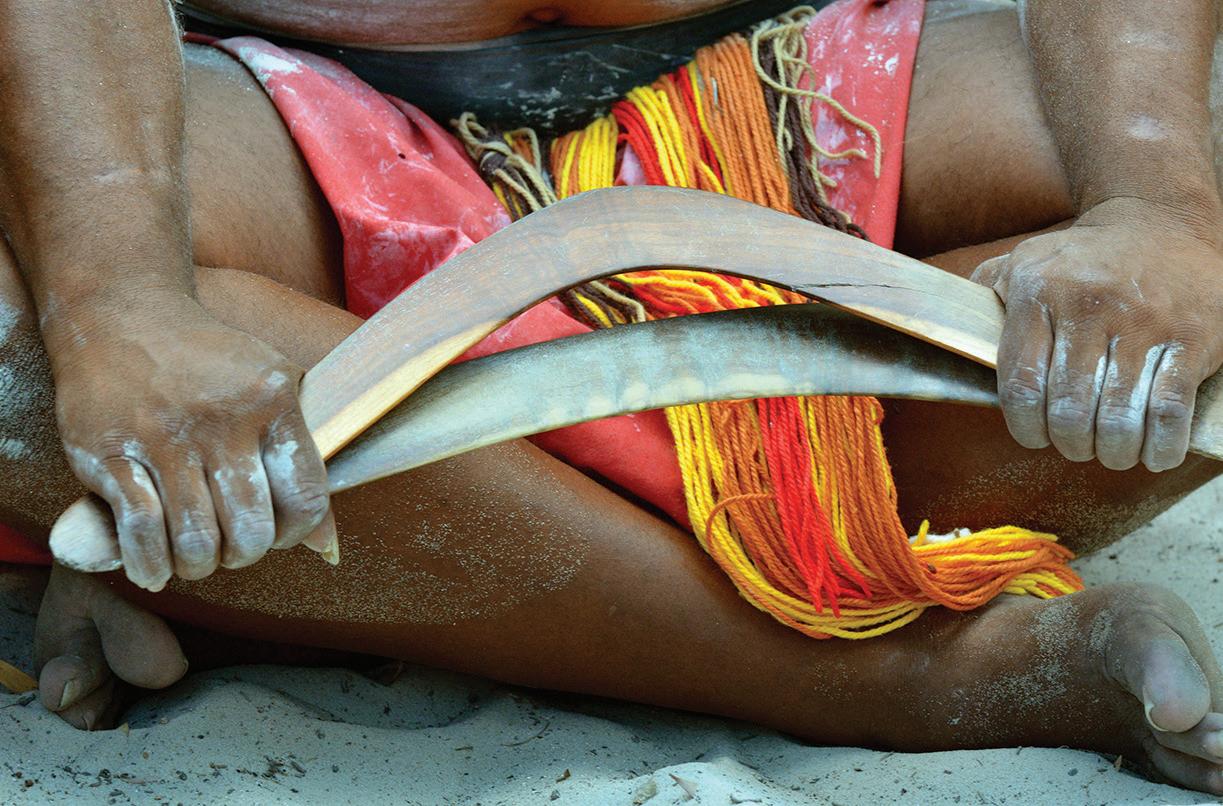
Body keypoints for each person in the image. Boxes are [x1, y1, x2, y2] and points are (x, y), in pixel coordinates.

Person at [2, 0, 1223, 793]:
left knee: (1199, 247)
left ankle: (334, 577)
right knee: (20, 337)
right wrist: (120, 302)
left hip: (792, 63)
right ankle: (899, 679)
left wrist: (1154, 202)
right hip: (270, 104)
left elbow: (1161, 200)